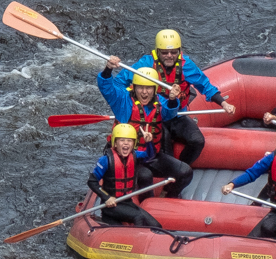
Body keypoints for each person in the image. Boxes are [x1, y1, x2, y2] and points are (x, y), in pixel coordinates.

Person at [114, 29, 236, 165]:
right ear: (158, 52)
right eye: (165, 53)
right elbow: (119, 82)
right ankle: (170, 172)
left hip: (177, 114)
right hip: (154, 116)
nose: (169, 56)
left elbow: (205, 86)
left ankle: (182, 168)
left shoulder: (186, 65)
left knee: (197, 141)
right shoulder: (146, 64)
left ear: (179, 51)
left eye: (174, 52)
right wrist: (128, 101)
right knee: (163, 147)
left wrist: (224, 104)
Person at [97, 56, 192, 199]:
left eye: (148, 88)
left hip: (150, 154)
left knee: (185, 172)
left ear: (155, 89)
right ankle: (146, 204)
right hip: (126, 157)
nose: (144, 92)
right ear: (133, 87)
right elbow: (106, 86)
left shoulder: (160, 102)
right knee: (145, 176)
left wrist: (173, 99)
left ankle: (168, 194)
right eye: (140, 87)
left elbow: (169, 113)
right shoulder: (122, 101)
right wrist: (108, 68)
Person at [87, 124, 162, 227]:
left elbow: (150, 155)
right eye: (122, 140)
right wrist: (107, 197)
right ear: (115, 143)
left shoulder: (135, 155)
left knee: (156, 225)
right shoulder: (105, 160)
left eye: (129, 141)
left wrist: (149, 142)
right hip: (111, 205)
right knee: (138, 216)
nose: (126, 143)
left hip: (126, 201)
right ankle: (138, 240)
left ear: (133, 144)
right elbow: (92, 182)